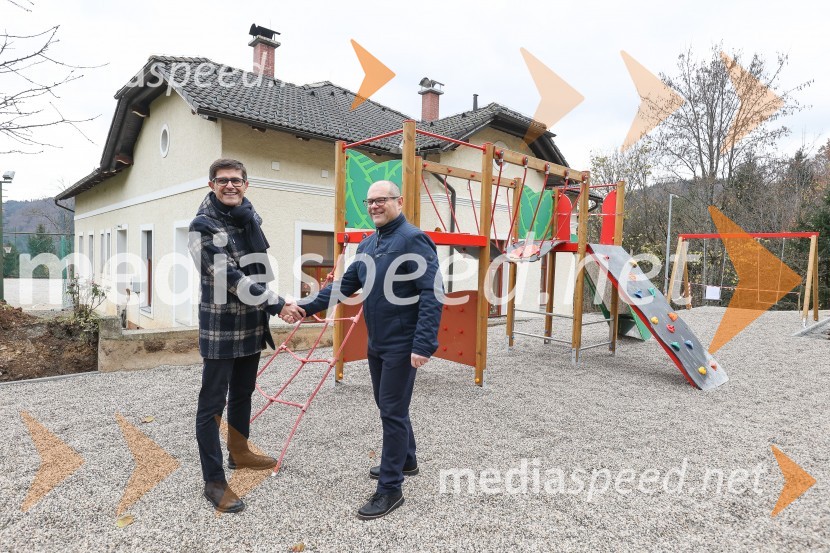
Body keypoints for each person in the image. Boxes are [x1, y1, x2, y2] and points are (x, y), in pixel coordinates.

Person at [301, 180, 443, 520]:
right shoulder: (367, 245)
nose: (375, 206)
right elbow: (343, 287)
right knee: (387, 404)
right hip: (377, 342)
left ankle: (391, 489)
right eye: (370, 202)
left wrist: (423, 344)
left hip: (403, 343)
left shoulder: (413, 240)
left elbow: (432, 292)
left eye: (382, 200)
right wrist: (304, 306)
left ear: (399, 201)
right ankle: (406, 459)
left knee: (391, 411)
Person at [189, 158, 305, 513]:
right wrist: (278, 304)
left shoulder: (248, 217)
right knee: (212, 405)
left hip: (251, 324)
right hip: (222, 325)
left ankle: (239, 452)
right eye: (222, 180)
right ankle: (213, 481)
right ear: (211, 185)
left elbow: (260, 268)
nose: (230, 186)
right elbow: (231, 277)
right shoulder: (202, 227)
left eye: (236, 180)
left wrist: (275, 301)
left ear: (246, 184)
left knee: (243, 394)